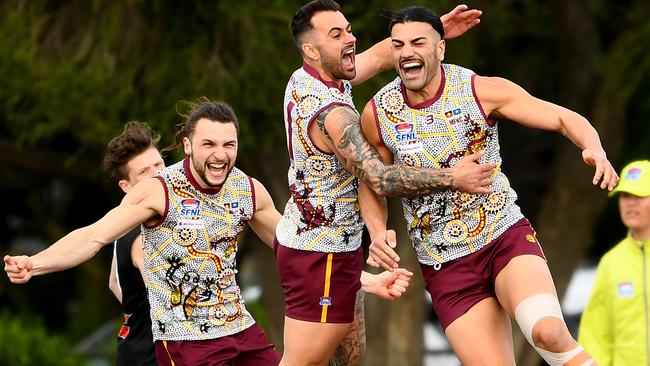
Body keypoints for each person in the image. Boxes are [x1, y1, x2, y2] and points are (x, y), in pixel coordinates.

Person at [4, 100, 412, 365]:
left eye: (229, 145)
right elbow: (92, 236)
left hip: (241, 331)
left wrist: (366, 280)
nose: (221, 155)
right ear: (187, 146)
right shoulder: (157, 192)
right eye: (209, 144)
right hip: (185, 344)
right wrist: (35, 263)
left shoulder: (247, 189)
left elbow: (296, 246)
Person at [360, 6, 620, 366]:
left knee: (548, 333)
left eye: (418, 42)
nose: (407, 53)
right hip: (443, 263)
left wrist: (593, 146)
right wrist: (376, 231)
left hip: (501, 237)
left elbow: (561, 117)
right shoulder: (378, 113)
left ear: (440, 48)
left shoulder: (479, 90)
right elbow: (372, 180)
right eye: (398, 45)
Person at [278, 1, 493, 365]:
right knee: (304, 362)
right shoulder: (332, 113)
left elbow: (378, 57)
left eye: (348, 29)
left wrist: (432, 30)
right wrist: (453, 177)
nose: (351, 38)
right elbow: (380, 177)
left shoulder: (318, 74)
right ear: (311, 50)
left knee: (347, 355)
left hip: (337, 246)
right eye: (337, 34)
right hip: (320, 253)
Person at [579, 160, 650, 366]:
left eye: (639, 195)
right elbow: (597, 335)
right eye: (625, 196)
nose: (630, 203)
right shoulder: (611, 262)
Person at [104, 121, 164, 366]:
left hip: (134, 346)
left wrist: (138, 314)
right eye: (144, 172)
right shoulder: (146, 231)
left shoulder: (123, 225)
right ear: (126, 187)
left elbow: (113, 283)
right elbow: (166, 293)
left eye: (159, 164)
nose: (156, 174)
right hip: (152, 355)